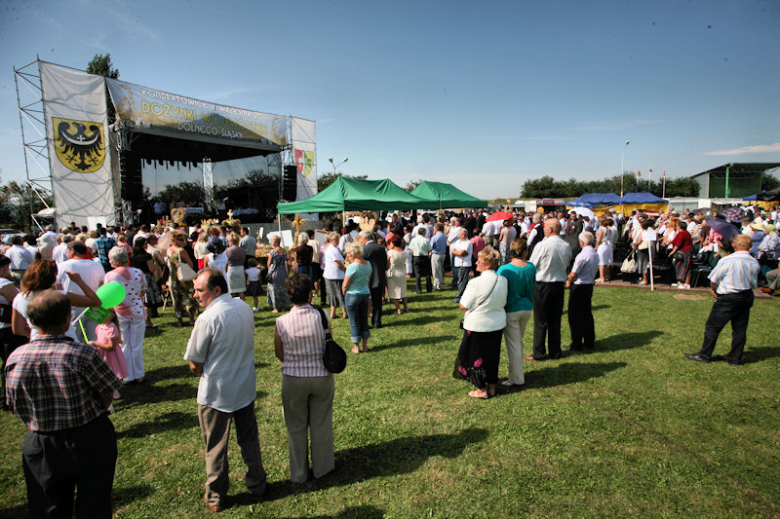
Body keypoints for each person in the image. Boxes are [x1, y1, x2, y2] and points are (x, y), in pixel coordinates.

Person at [5, 291, 121, 518]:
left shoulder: (15, 358)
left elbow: (14, 403)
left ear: (33, 321)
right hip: (89, 436)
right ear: (68, 319)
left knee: (49, 508)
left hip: (42, 440)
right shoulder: (82, 354)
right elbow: (107, 393)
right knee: (94, 504)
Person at [184, 268, 267, 512]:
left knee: (215, 447)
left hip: (217, 392)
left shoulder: (208, 318)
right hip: (243, 385)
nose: (196, 294)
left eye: (200, 290)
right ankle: (258, 484)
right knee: (249, 440)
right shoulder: (242, 307)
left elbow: (195, 362)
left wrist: (199, 371)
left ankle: (216, 496)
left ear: (216, 290)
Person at [274, 274, 335, 484]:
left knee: (295, 426)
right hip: (321, 376)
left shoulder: (281, 321)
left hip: (293, 378)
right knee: (321, 423)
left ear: (289, 296)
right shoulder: (323, 315)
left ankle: (299, 473)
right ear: (310, 293)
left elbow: (279, 352)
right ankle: (323, 468)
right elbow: (330, 344)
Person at [684, 234, 760, 365]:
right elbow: (754, 282)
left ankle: (704, 354)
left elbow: (714, 279)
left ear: (735, 245)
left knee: (713, 326)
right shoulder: (754, 261)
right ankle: (734, 357)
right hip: (746, 295)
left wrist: (714, 289)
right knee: (739, 329)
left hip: (729, 296)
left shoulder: (727, 260)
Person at [455, 247, 508, 399]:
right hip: (497, 323)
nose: (476, 263)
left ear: (487, 265)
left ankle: (481, 389)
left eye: (479, 261)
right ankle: (491, 386)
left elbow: (463, 305)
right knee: (492, 356)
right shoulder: (503, 280)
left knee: (476, 357)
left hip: (478, 325)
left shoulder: (476, 283)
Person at [12, 260, 101, 342]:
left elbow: (18, 329)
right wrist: (79, 281)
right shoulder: (60, 295)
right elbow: (95, 302)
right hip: (66, 340)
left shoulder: (19, 298)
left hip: (38, 340)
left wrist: (35, 332)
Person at [526, 218, 571, 361]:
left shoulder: (543, 245)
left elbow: (532, 265)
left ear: (550, 229)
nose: (544, 230)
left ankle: (539, 352)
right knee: (555, 320)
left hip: (543, 284)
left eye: (545, 227)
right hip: (558, 284)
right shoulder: (566, 245)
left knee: (540, 320)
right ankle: (555, 351)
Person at [105, 246, 147, 384]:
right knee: (136, 345)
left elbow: (107, 296)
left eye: (110, 259)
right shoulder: (138, 272)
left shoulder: (109, 275)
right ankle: (139, 374)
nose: (109, 261)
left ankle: (127, 375)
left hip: (119, 313)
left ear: (116, 261)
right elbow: (143, 290)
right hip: (137, 311)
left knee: (124, 345)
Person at [497, 238, 535, 387]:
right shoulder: (531, 267)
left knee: (514, 344)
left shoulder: (504, 269)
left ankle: (516, 378)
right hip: (527, 307)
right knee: (517, 341)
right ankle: (517, 375)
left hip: (511, 309)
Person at [56, 240, 106, 341]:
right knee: (95, 337)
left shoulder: (62, 266)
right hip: (95, 305)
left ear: (72, 251)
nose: (66, 254)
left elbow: (59, 288)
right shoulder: (97, 265)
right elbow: (102, 286)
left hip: (73, 306)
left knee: (75, 338)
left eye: (67, 251)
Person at [565, 232, 599, 352]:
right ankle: (589, 340)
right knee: (586, 314)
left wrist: (569, 280)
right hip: (589, 284)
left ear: (581, 242)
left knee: (575, 316)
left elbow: (574, 272)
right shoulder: (595, 253)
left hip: (579, 286)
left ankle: (577, 342)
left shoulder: (582, 255)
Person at [0, 254, 25, 409]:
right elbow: (19, 300)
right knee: (12, 362)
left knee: (5, 362)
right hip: (8, 328)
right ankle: (9, 397)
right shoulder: (3, 284)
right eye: (5, 267)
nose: (7, 270)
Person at [89, 309, 128, 403]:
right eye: (102, 314)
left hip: (110, 355)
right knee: (104, 372)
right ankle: (111, 390)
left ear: (112, 316)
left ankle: (114, 390)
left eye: (107, 315)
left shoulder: (111, 329)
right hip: (102, 354)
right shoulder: (99, 327)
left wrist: (95, 344)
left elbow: (111, 347)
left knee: (111, 371)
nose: (104, 317)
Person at [342, 242, 372, 354]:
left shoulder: (352, 267)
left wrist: (344, 291)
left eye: (349, 252)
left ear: (354, 253)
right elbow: (368, 280)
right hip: (365, 294)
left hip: (352, 295)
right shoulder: (368, 264)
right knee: (364, 319)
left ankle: (356, 346)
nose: (347, 254)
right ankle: (365, 345)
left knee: (354, 321)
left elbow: (345, 284)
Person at [167, 231, 198, 328]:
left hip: (173, 277)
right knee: (188, 297)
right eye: (181, 240)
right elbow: (191, 264)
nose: (183, 241)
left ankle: (179, 320)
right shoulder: (181, 251)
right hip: (183, 277)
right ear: (174, 239)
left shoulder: (168, 250)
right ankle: (191, 319)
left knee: (176, 299)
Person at [130, 237, 161, 328]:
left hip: (136, 277)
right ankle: (148, 321)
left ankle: (141, 320)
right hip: (146, 277)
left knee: (140, 300)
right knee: (148, 301)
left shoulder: (133, 257)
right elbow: (152, 268)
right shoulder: (146, 256)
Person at [360, 231, 388, 329]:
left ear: (366, 239)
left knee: (364, 303)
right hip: (378, 278)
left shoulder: (364, 249)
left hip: (366, 278)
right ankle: (377, 322)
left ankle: (364, 324)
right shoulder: (381, 248)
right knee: (377, 303)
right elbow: (385, 264)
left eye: (362, 239)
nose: (361, 241)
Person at [322, 232, 347, 319]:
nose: (338, 241)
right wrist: (345, 269)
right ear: (333, 240)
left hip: (329, 274)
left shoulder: (330, 248)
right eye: (337, 239)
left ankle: (333, 313)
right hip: (335, 275)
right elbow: (338, 263)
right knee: (340, 293)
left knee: (332, 294)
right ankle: (345, 312)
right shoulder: (334, 250)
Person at [267, 235, 290, 313]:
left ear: (276, 242)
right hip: (283, 271)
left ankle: (276, 307)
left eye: (272, 241)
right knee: (283, 289)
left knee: (274, 289)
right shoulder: (284, 251)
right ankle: (283, 306)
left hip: (274, 271)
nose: (271, 243)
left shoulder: (272, 252)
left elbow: (269, 263)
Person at [386, 237, 409, 314]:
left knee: (393, 291)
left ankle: (398, 309)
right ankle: (406, 308)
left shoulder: (391, 252)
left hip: (394, 272)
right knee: (403, 291)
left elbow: (387, 263)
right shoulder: (405, 252)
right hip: (402, 271)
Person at [450, 228, 473, 304]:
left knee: (462, 282)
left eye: (464, 235)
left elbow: (461, 252)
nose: (463, 236)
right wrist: (459, 253)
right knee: (461, 281)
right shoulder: (458, 242)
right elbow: (453, 251)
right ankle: (462, 297)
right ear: (459, 235)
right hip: (459, 263)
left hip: (465, 264)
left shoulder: (467, 243)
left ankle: (459, 298)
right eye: (462, 234)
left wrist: (459, 253)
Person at [670, 220, 694, 289]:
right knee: (680, 266)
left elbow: (678, 243)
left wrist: (673, 251)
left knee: (685, 267)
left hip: (685, 252)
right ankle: (680, 282)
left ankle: (686, 284)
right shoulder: (685, 233)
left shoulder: (682, 233)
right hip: (685, 251)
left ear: (679, 227)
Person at [408, 227, 433, 294]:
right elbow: (429, 249)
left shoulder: (413, 240)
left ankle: (418, 289)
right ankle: (429, 288)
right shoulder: (426, 240)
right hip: (424, 257)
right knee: (427, 274)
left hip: (416, 257)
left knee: (417, 274)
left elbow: (411, 249)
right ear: (424, 233)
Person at [226, 232, 247, 300]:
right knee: (241, 290)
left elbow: (226, 261)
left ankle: (232, 305)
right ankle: (243, 304)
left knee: (231, 290)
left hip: (231, 269)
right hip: (240, 268)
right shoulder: (243, 250)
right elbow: (243, 260)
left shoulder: (227, 250)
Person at [595, 217, 615, 283]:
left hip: (602, 245)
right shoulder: (610, 229)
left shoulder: (602, 229)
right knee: (606, 262)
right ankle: (606, 275)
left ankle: (602, 277)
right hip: (608, 246)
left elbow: (599, 239)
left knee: (601, 262)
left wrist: (596, 246)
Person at [430, 223, 448, 290]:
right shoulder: (444, 236)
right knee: (439, 269)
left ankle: (439, 285)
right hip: (443, 254)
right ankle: (437, 283)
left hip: (436, 254)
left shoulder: (434, 237)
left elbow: (430, 246)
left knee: (436, 271)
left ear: (436, 229)